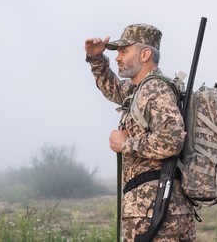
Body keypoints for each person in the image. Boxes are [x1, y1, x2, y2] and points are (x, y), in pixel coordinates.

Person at [84, 24, 196, 241]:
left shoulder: (155, 90)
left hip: (159, 210)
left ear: (145, 54)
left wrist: (125, 144)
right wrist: (95, 58)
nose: (117, 57)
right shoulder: (140, 89)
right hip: (151, 207)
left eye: (124, 51)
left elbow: (172, 140)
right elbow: (114, 88)